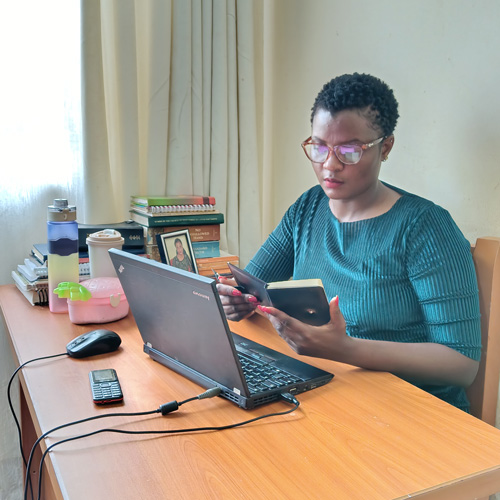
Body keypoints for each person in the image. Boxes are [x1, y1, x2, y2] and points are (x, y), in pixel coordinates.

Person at [217, 73, 481, 412]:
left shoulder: (425, 226)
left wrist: (345, 349)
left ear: (385, 147)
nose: (330, 164)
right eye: (319, 147)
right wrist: (237, 301)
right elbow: (252, 283)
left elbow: (462, 364)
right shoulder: (308, 207)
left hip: (413, 412)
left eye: (349, 151)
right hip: (330, 393)